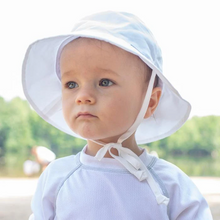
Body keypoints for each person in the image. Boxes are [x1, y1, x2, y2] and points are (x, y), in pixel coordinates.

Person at [22, 11, 213, 219]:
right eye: (71, 84)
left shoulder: (171, 186)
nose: (83, 96)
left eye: (104, 82)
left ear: (149, 102)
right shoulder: (56, 179)